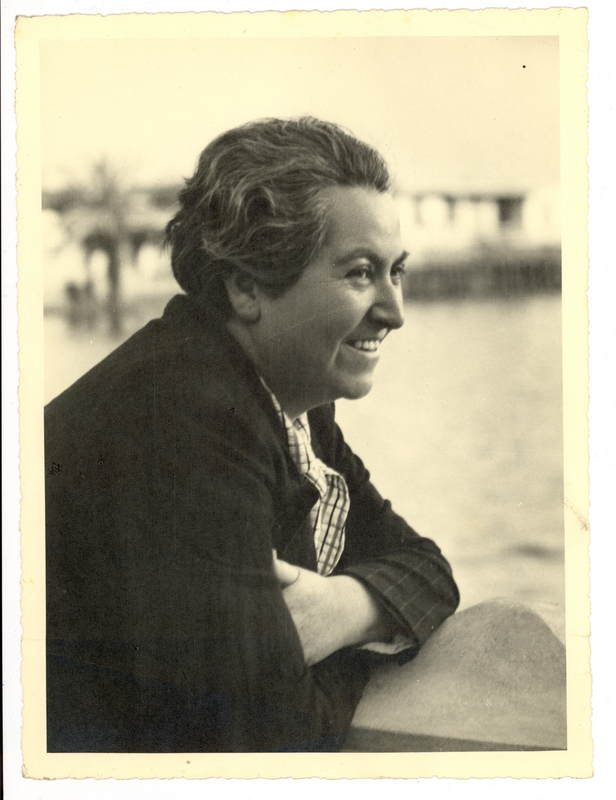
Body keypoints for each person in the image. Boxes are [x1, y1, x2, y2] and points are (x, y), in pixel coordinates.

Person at [45, 117, 459, 753]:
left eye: (395, 272)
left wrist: (345, 608)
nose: (395, 311)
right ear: (246, 286)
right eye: (360, 273)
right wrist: (342, 647)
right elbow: (266, 736)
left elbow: (429, 567)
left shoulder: (292, 405)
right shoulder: (182, 416)